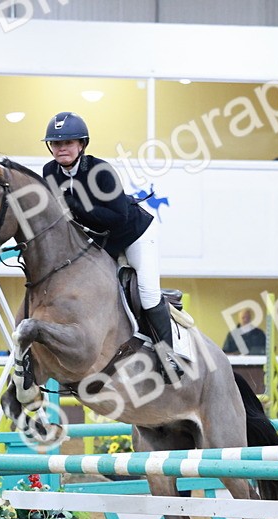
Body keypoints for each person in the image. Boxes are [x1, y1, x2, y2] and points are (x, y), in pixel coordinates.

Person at [41, 111, 182, 376]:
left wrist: (76, 205)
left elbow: (119, 218)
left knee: (148, 292)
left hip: (135, 234)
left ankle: (169, 357)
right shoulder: (50, 172)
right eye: (57, 143)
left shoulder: (101, 171)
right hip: (101, 241)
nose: (62, 148)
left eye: (68, 143)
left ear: (82, 144)